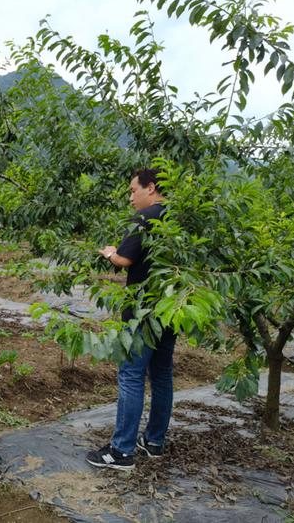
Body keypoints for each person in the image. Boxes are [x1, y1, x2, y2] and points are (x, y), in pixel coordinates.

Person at [86, 168, 176, 471]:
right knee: (162, 374)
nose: (130, 197)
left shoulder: (146, 217)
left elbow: (125, 259)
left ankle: (122, 450)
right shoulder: (179, 218)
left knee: (131, 375)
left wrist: (110, 253)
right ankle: (154, 442)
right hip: (173, 309)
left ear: (150, 188)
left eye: (132, 190)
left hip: (142, 312)